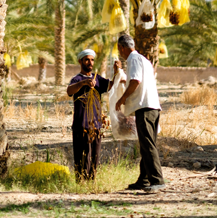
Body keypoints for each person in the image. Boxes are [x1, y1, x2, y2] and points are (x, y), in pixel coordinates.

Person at [115, 34, 165, 193]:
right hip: (152, 107)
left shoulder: (133, 60)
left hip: (145, 108)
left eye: (119, 50)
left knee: (148, 145)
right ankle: (144, 180)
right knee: (146, 144)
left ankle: (157, 180)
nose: (120, 53)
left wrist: (122, 98)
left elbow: (135, 81)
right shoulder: (143, 60)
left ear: (122, 47)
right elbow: (134, 80)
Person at [67, 48, 121, 181]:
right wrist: (83, 83)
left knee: (94, 156)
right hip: (81, 125)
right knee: (81, 156)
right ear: (80, 61)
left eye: (92, 60)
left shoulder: (97, 79)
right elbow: (69, 91)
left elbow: (111, 85)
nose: (90, 63)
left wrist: (116, 72)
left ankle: (92, 181)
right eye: (87, 60)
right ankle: (80, 182)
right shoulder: (77, 79)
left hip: (96, 125)